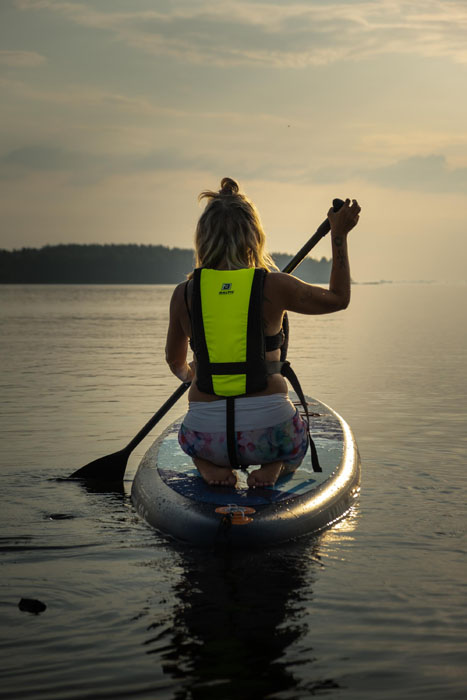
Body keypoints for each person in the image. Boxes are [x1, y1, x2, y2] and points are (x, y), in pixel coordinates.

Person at [165, 177, 360, 488]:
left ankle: (208, 466)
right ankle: (274, 465)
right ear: (254, 236)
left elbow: (175, 362)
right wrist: (339, 235)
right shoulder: (275, 285)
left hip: (208, 437)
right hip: (270, 433)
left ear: (202, 238)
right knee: (296, 442)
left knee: (190, 442)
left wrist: (194, 375)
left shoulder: (184, 294)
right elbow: (339, 299)